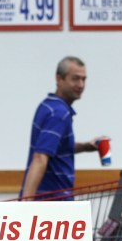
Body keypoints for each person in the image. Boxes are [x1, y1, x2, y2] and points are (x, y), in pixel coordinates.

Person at [20, 56, 102, 199]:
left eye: (84, 79)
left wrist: (86, 146)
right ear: (59, 79)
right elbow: (40, 157)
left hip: (50, 200)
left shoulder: (47, 105)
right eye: (75, 79)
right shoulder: (59, 113)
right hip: (53, 201)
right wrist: (26, 204)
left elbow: (56, 147)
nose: (81, 85)